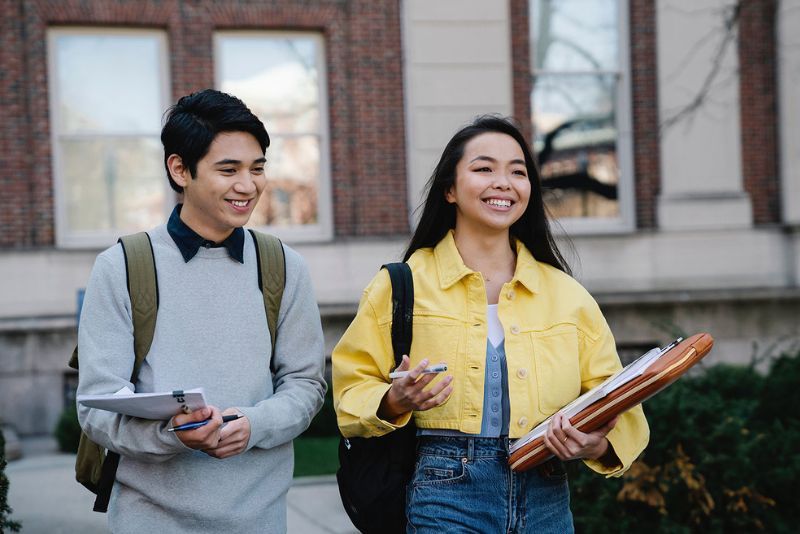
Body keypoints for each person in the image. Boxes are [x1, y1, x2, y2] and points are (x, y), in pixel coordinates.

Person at [332, 116, 649, 532]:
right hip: (443, 493)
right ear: (450, 189)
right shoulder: (401, 285)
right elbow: (350, 391)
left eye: (518, 172)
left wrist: (597, 443)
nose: (504, 182)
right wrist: (395, 400)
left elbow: (620, 401)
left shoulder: (567, 295)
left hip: (547, 495)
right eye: (484, 169)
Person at [77, 89, 326, 533]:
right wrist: (170, 433)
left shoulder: (284, 266)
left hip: (261, 518)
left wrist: (254, 424)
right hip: (148, 519)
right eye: (228, 170)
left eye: (257, 168)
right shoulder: (121, 267)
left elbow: (306, 385)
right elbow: (96, 408)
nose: (248, 186)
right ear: (180, 169)